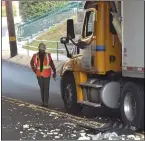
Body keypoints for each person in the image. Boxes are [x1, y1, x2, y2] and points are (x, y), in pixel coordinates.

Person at [30, 43, 56, 107]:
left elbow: (51, 63)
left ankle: (45, 103)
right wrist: (35, 70)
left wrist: (54, 71)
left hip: (47, 75)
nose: (42, 51)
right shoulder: (35, 56)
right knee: (42, 88)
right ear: (39, 49)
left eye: (43, 50)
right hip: (39, 75)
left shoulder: (47, 55)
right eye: (41, 50)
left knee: (46, 89)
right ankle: (43, 102)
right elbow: (31, 63)